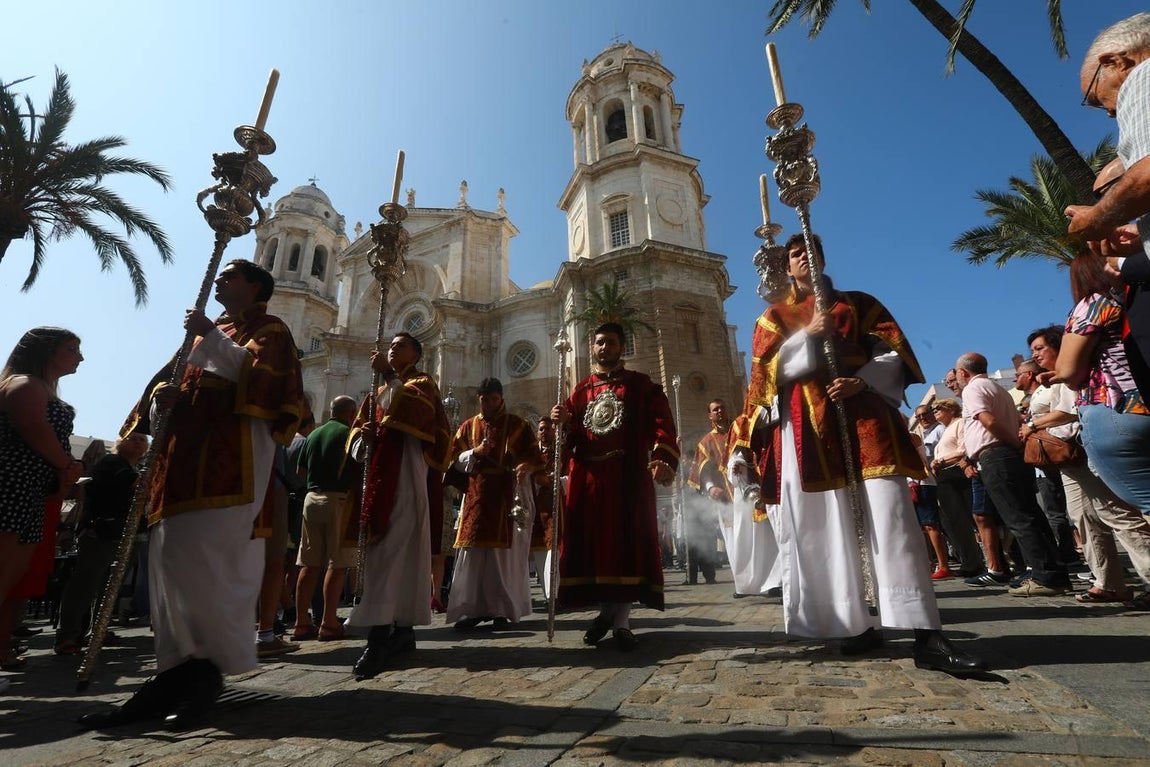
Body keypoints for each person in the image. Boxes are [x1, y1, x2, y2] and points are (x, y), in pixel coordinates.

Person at [79, 259, 306, 730]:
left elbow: (269, 385)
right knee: (170, 569)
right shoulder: (206, 333)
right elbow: (165, 381)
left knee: (209, 568)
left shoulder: (272, 329)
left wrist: (213, 336)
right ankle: (172, 672)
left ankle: (204, 675)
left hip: (228, 468)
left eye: (233, 274)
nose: (221, 279)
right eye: (219, 274)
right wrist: (164, 393)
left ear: (256, 286)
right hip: (178, 468)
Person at [744, 234, 982, 675]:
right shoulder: (774, 317)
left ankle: (926, 634)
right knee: (828, 528)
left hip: (867, 422)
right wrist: (806, 338)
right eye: (795, 254)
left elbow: (892, 352)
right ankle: (857, 623)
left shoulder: (859, 303)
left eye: (810, 251)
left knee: (892, 521)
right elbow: (764, 379)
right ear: (787, 267)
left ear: (823, 256)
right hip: (810, 433)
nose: (804, 258)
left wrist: (865, 380)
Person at [551, 322, 678, 651]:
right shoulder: (579, 392)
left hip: (626, 478)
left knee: (623, 549)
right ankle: (607, 613)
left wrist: (663, 456)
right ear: (591, 348)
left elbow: (662, 423)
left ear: (622, 347)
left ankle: (620, 622)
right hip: (589, 481)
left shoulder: (640, 386)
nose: (603, 348)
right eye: (598, 343)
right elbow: (568, 443)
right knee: (595, 552)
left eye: (610, 342)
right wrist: (560, 426)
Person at [346, 332, 452, 680]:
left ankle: (378, 639)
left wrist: (390, 378)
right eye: (391, 345)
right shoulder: (376, 393)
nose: (393, 348)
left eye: (401, 345)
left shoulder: (423, 382)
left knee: (394, 550)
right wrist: (363, 438)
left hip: (407, 476)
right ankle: (402, 631)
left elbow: (422, 415)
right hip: (379, 477)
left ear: (417, 355)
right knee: (386, 551)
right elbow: (357, 429)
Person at [1046, 256, 1150, 608]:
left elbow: (1071, 369)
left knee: (1142, 504)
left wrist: (1060, 371)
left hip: (1114, 408)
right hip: (1143, 400)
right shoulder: (1132, 299)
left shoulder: (1092, 304)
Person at [1066, 13, 1150, 396]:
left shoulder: (1142, 77)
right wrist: (1139, 234)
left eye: (1095, 100)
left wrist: (1097, 219)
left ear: (1116, 62)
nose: (1111, 112)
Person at [0, 328, 83, 689]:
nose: (79, 357)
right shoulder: (26, 385)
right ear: (49, 352)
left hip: (31, 493)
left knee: (11, 579)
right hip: (12, 490)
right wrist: (65, 464)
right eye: (72, 349)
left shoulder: (39, 387)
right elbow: (31, 425)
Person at [954, 353, 1070, 598]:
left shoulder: (973, 388)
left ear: (963, 373)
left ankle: (1045, 576)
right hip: (1007, 455)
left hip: (997, 454)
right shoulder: (998, 389)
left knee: (1019, 518)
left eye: (955, 374)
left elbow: (988, 419)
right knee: (1031, 515)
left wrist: (1011, 443)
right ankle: (1054, 573)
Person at [446, 378, 543, 630]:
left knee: (502, 557)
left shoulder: (517, 425)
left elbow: (534, 456)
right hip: (476, 496)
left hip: (505, 496)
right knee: (473, 555)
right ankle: (473, 609)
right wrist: (475, 452)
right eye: (484, 400)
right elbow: (453, 459)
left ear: (501, 398)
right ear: (479, 400)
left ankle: (501, 609)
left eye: (493, 399)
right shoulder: (467, 427)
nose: (489, 404)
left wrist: (525, 466)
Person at [54, 432, 149, 655]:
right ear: (119, 443)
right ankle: (68, 635)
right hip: (101, 533)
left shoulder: (133, 467)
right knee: (86, 584)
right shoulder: (111, 462)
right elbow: (136, 485)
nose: (137, 442)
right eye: (132, 438)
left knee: (109, 586)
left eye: (142, 440)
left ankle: (98, 630)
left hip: (123, 534)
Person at [290, 396, 360, 644]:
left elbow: (300, 472)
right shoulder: (350, 433)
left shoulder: (313, 435)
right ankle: (329, 623)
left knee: (308, 563)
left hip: (311, 499)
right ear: (352, 413)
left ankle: (301, 623)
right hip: (338, 500)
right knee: (336, 563)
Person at [916, 401, 982, 576]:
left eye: (937, 409)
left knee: (971, 518)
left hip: (956, 474)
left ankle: (988, 561)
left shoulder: (959, 423)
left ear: (951, 409)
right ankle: (970, 562)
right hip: (944, 478)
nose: (933, 413)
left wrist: (942, 461)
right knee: (955, 522)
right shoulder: (944, 430)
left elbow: (963, 448)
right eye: (919, 416)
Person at [688, 399, 738, 592]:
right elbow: (703, 470)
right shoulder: (706, 441)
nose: (719, 411)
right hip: (725, 497)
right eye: (714, 410)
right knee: (733, 539)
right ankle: (742, 583)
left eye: (722, 408)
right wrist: (710, 488)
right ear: (710, 415)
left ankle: (768, 581)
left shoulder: (740, 430)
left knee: (755, 534)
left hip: (747, 492)